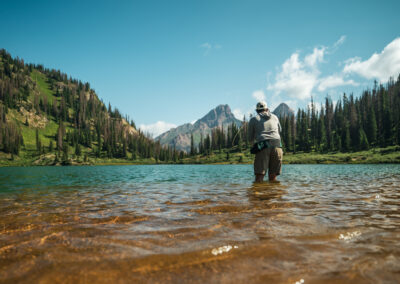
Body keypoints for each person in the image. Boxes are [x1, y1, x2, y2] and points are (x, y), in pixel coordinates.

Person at [248, 101, 283, 182]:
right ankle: (273, 194)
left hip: (263, 146)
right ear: (267, 109)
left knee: (260, 175)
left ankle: (259, 193)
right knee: (273, 176)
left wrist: (255, 147)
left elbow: (250, 138)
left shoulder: (253, 119)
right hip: (277, 146)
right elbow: (279, 130)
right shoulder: (275, 117)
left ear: (257, 111)